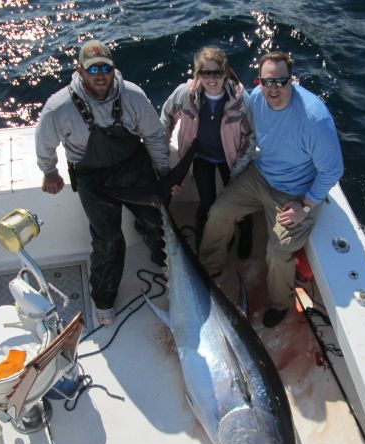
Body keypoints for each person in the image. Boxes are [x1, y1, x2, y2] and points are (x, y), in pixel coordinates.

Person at [198, 51, 344, 327]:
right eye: (267, 82)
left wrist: (304, 206)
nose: (273, 89)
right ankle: (207, 271)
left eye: (280, 81)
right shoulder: (256, 100)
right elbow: (236, 112)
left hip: (295, 193)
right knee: (218, 212)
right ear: (259, 82)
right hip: (260, 177)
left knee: (278, 252)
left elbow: (333, 170)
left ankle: (280, 304)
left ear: (292, 80)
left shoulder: (314, 119)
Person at [35, 40, 171, 327]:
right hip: (92, 177)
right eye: (93, 69)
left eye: (105, 68)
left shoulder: (132, 95)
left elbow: (155, 136)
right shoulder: (58, 107)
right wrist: (50, 172)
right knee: (107, 240)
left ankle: (164, 260)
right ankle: (104, 298)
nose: (100, 75)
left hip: (133, 167)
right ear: (80, 72)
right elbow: (45, 145)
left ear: (113, 69)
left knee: (156, 219)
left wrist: (162, 173)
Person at [160, 46, 256, 256]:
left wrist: (238, 169)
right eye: (205, 73)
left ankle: (245, 230)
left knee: (236, 202)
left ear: (226, 72)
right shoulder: (185, 94)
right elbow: (166, 117)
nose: (211, 79)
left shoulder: (240, 100)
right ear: (197, 74)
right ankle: (205, 231)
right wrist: (163, 150)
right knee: (207, 202)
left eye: (217, 73)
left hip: (230, 159)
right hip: (200, 156)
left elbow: (250, 137)